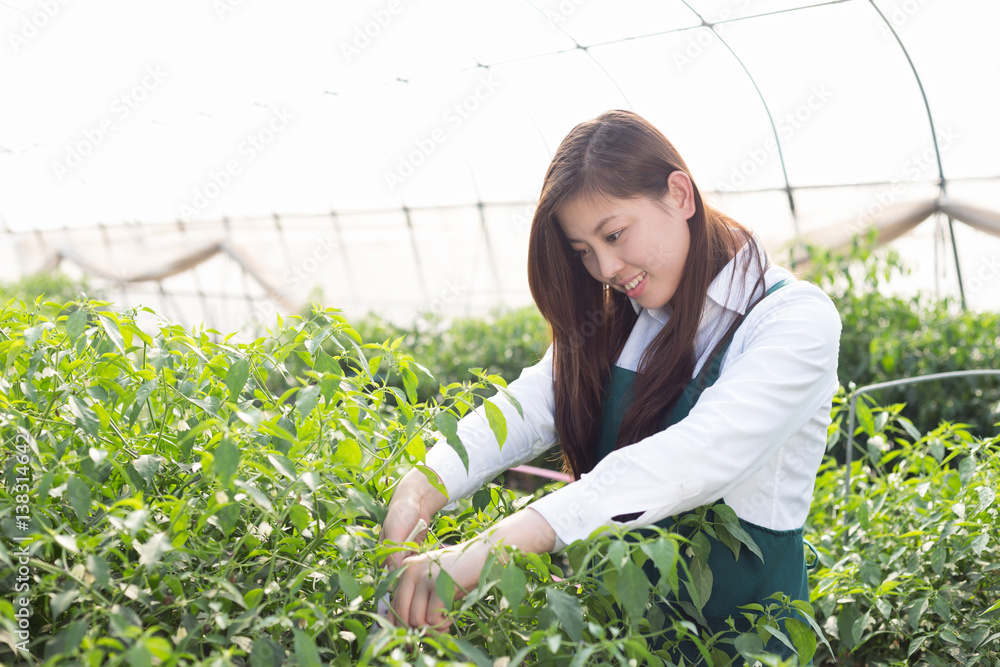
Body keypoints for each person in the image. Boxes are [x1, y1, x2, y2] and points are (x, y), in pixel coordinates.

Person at [380, 109, 841, 658]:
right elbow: (525, 407)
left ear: (679, 195)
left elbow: (698, 456)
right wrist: (420, 486)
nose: (604, 268)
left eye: (615, 235)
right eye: (584, 252)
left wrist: (498, 545)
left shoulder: (791, 320)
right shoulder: (620, 318)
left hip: (740, 644)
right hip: (618, 639)